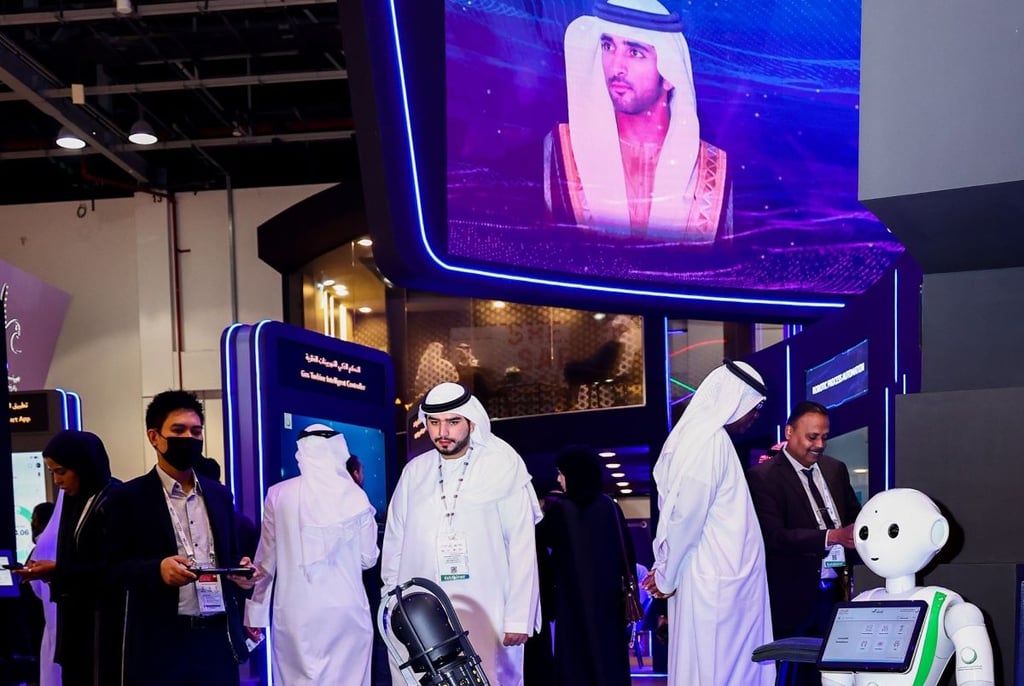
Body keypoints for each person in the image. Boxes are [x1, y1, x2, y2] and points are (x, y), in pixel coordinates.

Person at [381, 382, 542, 686]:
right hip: (421, 610)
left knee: (490, 677)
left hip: (487, 606)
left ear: (471, 421)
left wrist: (518, 616)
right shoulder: (414, 472)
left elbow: (521, 546)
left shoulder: (502, 465)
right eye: (434, 422)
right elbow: (395, 542)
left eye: (453, 422)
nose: (443, 431)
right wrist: (392, 601)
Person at [545, 0, 732, 243]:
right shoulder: (561, 150)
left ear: (669, 73)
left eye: (634, 52)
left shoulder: (715, 167)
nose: (616, 66)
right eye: (607, 46)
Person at [104, 390, 256, 686]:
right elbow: (112, 569)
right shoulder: (129, 498)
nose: (189, 437)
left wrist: (241, 571)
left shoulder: (219, 495)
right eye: (178, 430)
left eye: (195, 431)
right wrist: (157, 569)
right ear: (154, 437)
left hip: (216, 637)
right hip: (162, 640)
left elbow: (231, 555)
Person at [642, 359, 775, 686]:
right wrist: (666, 575)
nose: (755, 417)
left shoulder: (700, 438)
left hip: (714, 579)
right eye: (754, 408)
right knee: (721, 670)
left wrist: (665, 570)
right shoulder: (709, 441)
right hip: (716, 585)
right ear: (734, 398)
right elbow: (686, 516)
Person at [245, 424, 378, 685]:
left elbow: (265, 562)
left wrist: (256, 613)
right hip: (347, 612)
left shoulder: (278, 494)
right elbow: (368, 557)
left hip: (295, 615)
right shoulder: (356, 497)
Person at [747, 401, 862, 686]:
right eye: (812, 437)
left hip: (836, 593)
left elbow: (854, 519)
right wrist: (831, 536)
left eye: (825, 436)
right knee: (793, 676)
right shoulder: (763, 477)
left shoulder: (836, 469)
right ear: (789, 431)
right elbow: (773, 536)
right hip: (790, 598)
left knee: (833, 672)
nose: (820, 444)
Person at [15, 430, 121, 686]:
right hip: (75, 618)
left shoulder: (114, 499)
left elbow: (115, 566)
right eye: (52, 472)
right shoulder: (74, 501)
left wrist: (59, 570)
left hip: (104, 622)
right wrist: (53, 571)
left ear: (83, 466)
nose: (57, 480)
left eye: (61, 471)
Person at [536, 445, 634, 686]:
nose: (558, 479)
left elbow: (538, 548)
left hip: (572, 602)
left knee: (575, 661)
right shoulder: (610, 506)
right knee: (608, 659)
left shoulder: (561, 509)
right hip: (609, 603)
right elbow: (627, 553)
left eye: (561, 473)